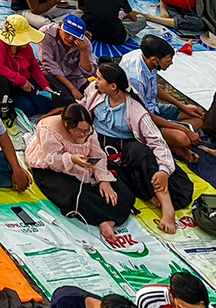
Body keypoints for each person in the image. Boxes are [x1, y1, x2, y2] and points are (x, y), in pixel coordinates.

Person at [83, 62, 188, 234]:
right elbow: (83, 107)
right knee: (97, 171)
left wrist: (164, 171)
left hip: (125, 145)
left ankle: (167, 207)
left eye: (100, 79)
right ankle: (141, 196)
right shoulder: (95, 91)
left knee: (143, 155)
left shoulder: (136, 111)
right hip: (98, 141)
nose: (96, 81)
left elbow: (157, 142)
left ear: (113, 86)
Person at [26, 104, 140, 251]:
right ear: (66, 124)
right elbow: (52, 160)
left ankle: (109, 219)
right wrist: (71, 159)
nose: (82, 134)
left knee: (123, 194)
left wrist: (103, 180)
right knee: (75, 195)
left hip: (85, 165)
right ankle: (105, 219)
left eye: (86, 131)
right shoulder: (48, 128)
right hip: (52, 169)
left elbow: (97, 154)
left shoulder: (89, 132)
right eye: (78, 131)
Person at [120, 37, 204, 155]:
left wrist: (183, 106)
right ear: (155, 60)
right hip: (141, 120)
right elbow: (145, 115)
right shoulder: (135, 79)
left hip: (152, 107)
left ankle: (168, 139)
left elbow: (153, 87)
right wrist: (183, 128)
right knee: (184, 139)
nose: (171, 63)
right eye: (168, 60)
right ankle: (171, 144)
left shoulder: (145, 56)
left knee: (198, 116)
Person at [0, 15, 63, 118]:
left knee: (45, 106)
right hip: (5, 84)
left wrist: (44, 85)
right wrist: (21, 81)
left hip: (24, 79)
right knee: (28, 109)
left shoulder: (25, 47)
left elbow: (34, 66)